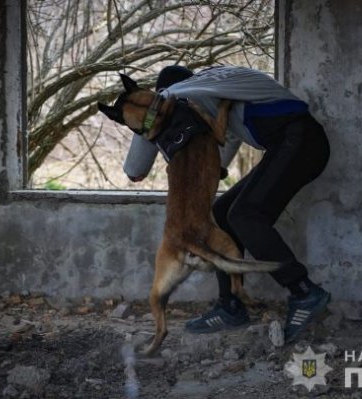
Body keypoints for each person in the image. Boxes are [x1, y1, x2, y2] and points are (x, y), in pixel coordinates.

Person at [124, 65, 331, 342]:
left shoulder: (175, 94)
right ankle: (231, 305)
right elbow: (223, 147)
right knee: (222, 214)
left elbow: (136, 167)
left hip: (298, 141)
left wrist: (139, 162)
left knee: (245, 215)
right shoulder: (218, 86)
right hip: (297, 143)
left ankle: (304, 291)